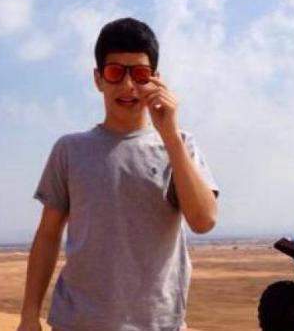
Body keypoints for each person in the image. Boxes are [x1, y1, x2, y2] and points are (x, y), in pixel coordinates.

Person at [16, 17, 219, 331]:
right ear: (98, 79)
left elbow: (203, 221)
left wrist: (170, 135)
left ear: (156, 80)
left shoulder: (180, 145)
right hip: (78, 323)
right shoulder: (70, 149)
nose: (128, 86)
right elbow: (48, 235)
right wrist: (29, 315)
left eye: (140, 74)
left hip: (158, 324)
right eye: (115, 73)